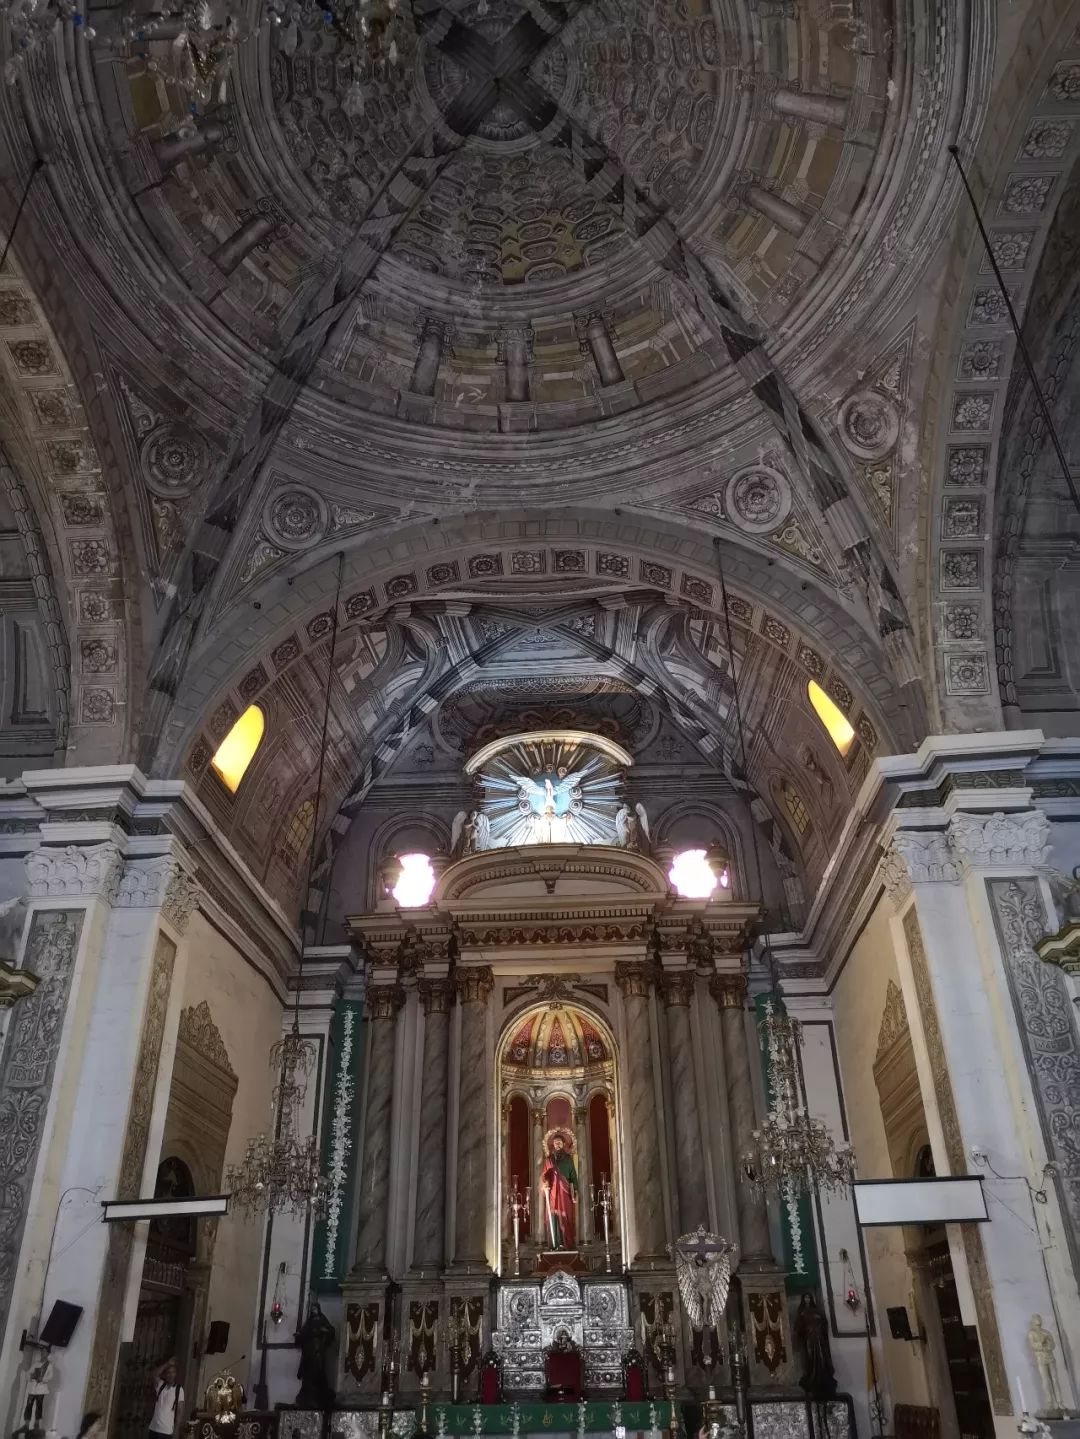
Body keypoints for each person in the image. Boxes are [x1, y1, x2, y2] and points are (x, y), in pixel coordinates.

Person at [541, 1131, 578, 1250]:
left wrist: (575, 1191)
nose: (557, 1144)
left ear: (563, 1144)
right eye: (555, 1142)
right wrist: (545, 1182)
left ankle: (566, 1243)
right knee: (554, 1217)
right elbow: (544, 1175)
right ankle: (555, 1243)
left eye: (559, 1142)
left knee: (566, 1217)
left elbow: (573, 1177)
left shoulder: (568, 1160)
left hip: (565, 1193)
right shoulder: (549, 1160)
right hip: (553, 1192)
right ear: (553, 1144)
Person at [149, 1359, 184, 1439]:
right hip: (154, 1428)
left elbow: (180, 1411)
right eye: (168, 1372)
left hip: (166, 1431)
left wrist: (176, 1430)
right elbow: (154, 1375)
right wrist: (167, 1364)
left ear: (175, 1374)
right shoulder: (161, 1385)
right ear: (165, 1374)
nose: (170, 1375)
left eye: (173, 1372)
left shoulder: (179, 1389)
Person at [24, 1351, 53, 1429]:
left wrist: (42, 1379)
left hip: (41, 1389)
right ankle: (26, 1424)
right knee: (29, 1405)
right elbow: (28, 1373)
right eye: (42, 1352)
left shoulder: (49, 1365)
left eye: (45, 1352)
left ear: (47, 1354)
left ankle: (36, 1424)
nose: (43, 1354)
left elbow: (50, 1377)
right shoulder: (35, 1363)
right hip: (33, 1388)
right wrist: (31, 1376)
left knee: (39, 1406)